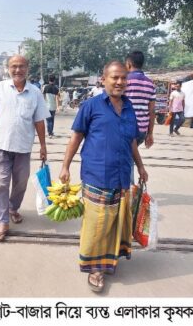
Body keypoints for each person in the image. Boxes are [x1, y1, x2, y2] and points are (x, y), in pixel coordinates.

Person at [58, 61, 148, 293]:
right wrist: (65, 166)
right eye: (115, 78)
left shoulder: (130, 109)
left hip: (122, 175)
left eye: (123, 78)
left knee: (116, 221)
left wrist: (140, 167)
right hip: (97, 174)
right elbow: (76, 137)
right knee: (98, 224)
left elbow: (132, 142)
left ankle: (109, 259)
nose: (119, 82)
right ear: (103, 79)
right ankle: (95, 268)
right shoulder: (91, 106)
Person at [0, 55, 50, 242]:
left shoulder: (35, 92)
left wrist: (43, 145)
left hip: (23, 146)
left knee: (21, 182)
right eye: (13, 66)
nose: (17, 70)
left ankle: (13, 207)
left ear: (27, 68)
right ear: (8, 68)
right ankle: (3, 220)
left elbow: (39, 121)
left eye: (21, 66)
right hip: (1, 145)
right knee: (1, 182)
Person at [125, 50, 155, 148]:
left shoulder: (124, 80)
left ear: (128, 64)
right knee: (130, 156)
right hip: (141, 130)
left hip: (125, 127)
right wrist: (150, 134)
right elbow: (152, 111)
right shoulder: (150, 83)